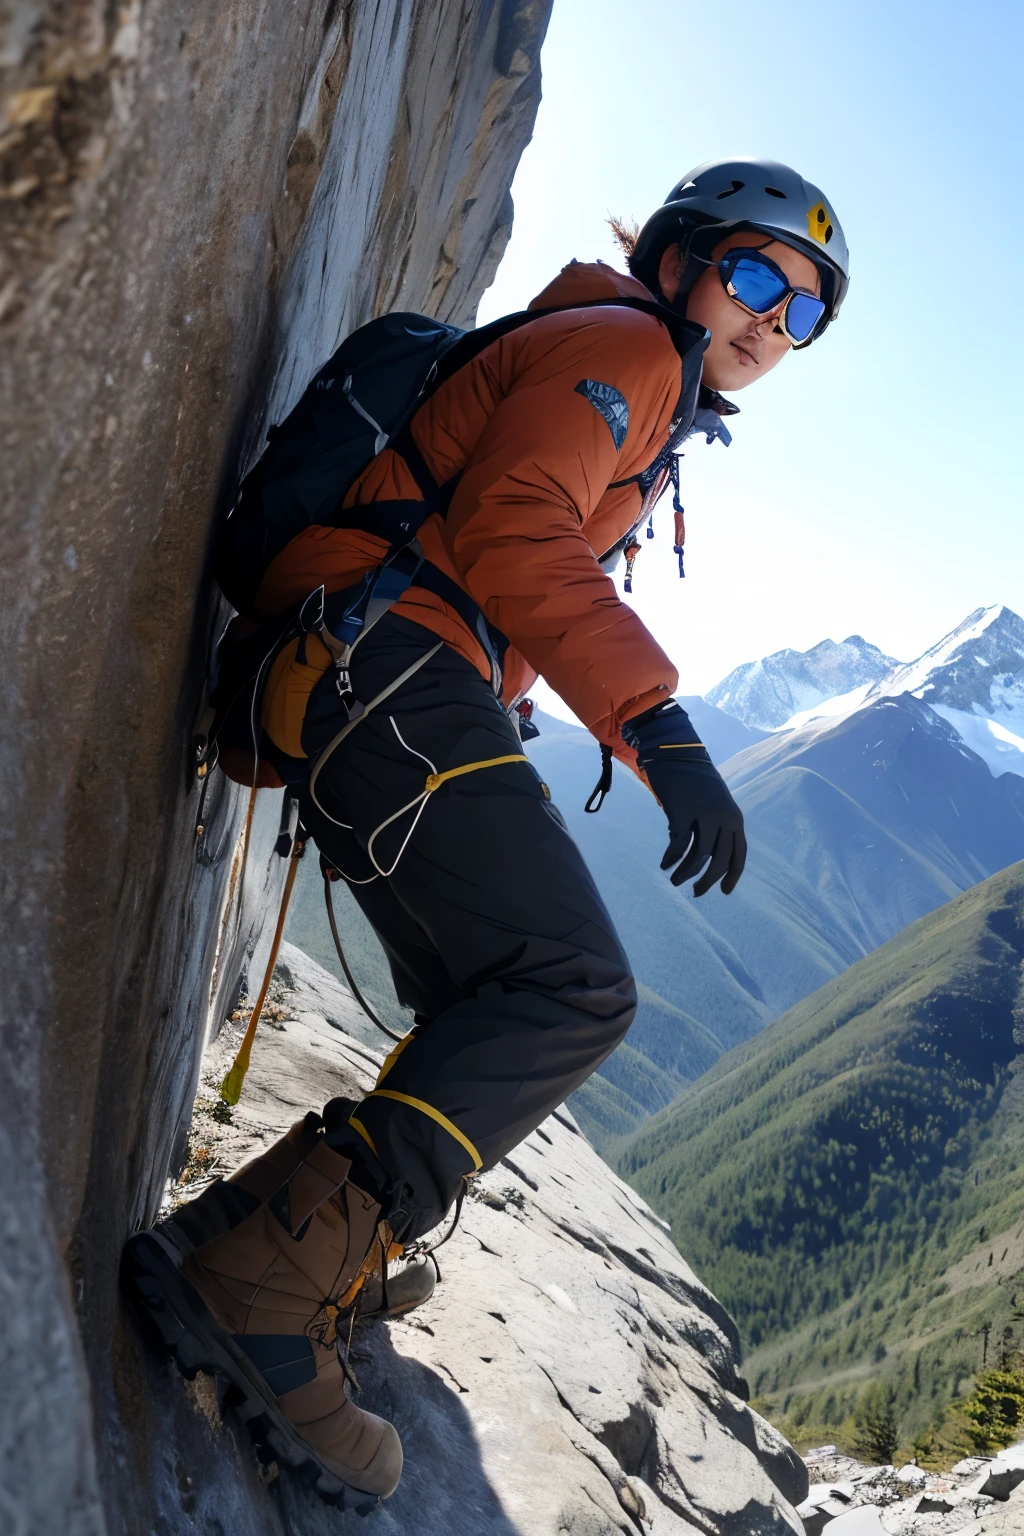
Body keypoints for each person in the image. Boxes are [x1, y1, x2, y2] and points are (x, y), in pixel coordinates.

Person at [124, 158, 849, 1505]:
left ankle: (298, 1241)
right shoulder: (630, 347)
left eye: (802, 314)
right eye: (755, 275)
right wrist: (663, 733)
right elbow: (516, 531)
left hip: (358, 670)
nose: (770, 319)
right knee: (571, 985)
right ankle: (264, 1274)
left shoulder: (632, 372)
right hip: (384, 665)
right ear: (683, 257)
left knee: (488, 990)